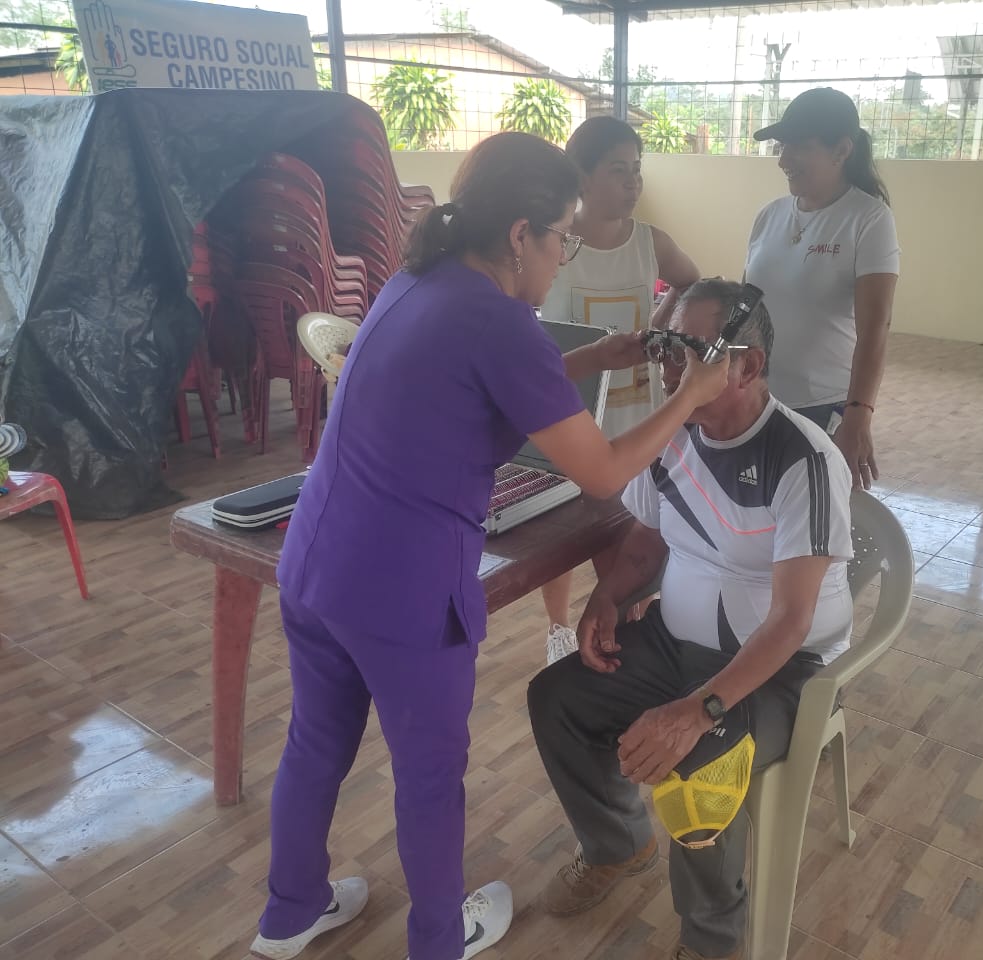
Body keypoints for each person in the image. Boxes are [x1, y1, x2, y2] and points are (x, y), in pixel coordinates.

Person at [249, 132, 729, 960]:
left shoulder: (416, 280)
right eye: (562, 237)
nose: (562, 255)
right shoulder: (502, 322)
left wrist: (593, 356)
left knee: (315, 742)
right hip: (401, 595)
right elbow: (603, 472)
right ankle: (438, 940)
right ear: (519, 235)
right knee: (429, 775)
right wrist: (690, 396)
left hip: (317, 563)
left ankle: (289, 914)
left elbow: (476, 387)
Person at [526, 279, 855, 960]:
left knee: (697, 769)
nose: (674, 370)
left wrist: (697, 710)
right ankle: (618, 844)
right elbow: (647, 540)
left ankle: (712, 942)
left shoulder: (803, 459)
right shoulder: (672, 436)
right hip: (676, 642)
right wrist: (608, 596)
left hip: (782, 672)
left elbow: (791, 621)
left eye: (694, 351)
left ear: (748, 366)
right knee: (557, 697)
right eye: (667, 348)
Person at [538, 116, 701, 662]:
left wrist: (658, 325)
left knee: (636, 530)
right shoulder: (556, 244)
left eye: (637, 170)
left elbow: (692, 282)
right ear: (582, 177)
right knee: (561, 532)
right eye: (617, 171)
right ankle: (558, 628)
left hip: (636, 411)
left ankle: (630, 627)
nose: (633, 183)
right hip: (571, 416)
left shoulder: (650, 242)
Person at [745, 87, 900, 491]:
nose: (784, 160)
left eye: (799, 147)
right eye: (782, 147)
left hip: (822, 407)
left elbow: (876, 328)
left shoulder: (868, 219)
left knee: (815, 516)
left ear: (842, 150)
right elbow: (749, 308)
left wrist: (858, 415)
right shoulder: (769, 215)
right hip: (757, 399)